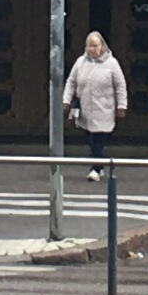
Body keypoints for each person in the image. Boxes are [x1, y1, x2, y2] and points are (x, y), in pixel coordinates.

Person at [62, 30, 129, 181]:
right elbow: (71, 82)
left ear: (102, 46)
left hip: (104, 109)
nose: (92, 49)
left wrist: (121, 106)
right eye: (89, 46)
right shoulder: (80, 62)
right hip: (86, 109)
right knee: (91, 139)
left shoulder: (112, 64)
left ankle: (96, 169)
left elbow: (120, 85)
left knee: (98, 139)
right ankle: (99, 165)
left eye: (95, 46)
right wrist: (66, 101)